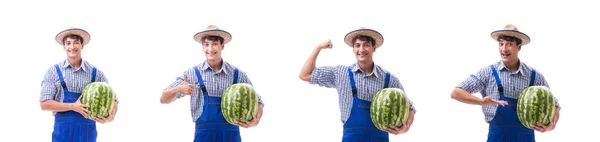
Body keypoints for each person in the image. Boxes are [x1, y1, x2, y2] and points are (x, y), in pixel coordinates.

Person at [299, 27, 416, 141]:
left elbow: (410, 107)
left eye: (366, 45)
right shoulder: (341, 73)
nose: (361, 49)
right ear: (353, 49)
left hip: (380, 138)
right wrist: (318, 48)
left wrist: (406, 128)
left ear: (374, 48)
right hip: (351, 138)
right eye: (357, 45)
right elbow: (305, 75)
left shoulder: (388, 78)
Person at [450, 24, 561, 142]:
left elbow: (555, 105)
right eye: (501, 44)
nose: (504, 49)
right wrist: (481, 102)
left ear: (519, 47)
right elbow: (456, 93)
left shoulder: (534, 76)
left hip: (526, 138)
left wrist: (552, 123)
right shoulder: (489, 73)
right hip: (498, 137)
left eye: (509, 44)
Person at [160, 25, 265, 142]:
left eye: (214, 44)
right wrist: (177, 89)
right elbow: (163, 99)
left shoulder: (238, 75)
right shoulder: (192, 74)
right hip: (203, 137)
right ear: (202, 47)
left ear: (222, 45)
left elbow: (259, 101)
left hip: (231, 137)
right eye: (206, 44)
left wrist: (256, 120)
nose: (210, 49)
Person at [40, 28, 119, 142]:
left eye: (76, 42)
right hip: (63, 132)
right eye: (68, 43)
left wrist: (110, 117)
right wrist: (72, 106)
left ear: (82, 45)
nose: (72, 47)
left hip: (87, 132)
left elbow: (114, 99)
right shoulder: (53, 71)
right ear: (64, 47)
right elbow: (44, 104)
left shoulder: (95, 73)